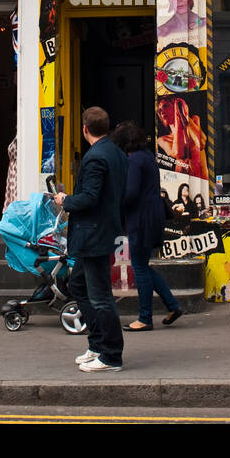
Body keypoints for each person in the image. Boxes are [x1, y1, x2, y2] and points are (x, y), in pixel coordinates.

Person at [54, 106, 129, 371]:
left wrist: (66, 200)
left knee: (100, 297)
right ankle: (97, 344)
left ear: (85, 129)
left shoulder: (96, 157)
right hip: (102, 232)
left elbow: (90, 197)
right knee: (78, 285)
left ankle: (111, 356)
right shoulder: (117, 154)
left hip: (94, 234)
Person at [112, 121, 183, 332]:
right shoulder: (147, 157)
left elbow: (131, 192)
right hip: (153, 215)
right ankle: (172, 305)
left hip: (141, 218)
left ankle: (145, 318)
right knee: (144, 264)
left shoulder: (134, 161)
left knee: (140, 267)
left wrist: (115, 202)